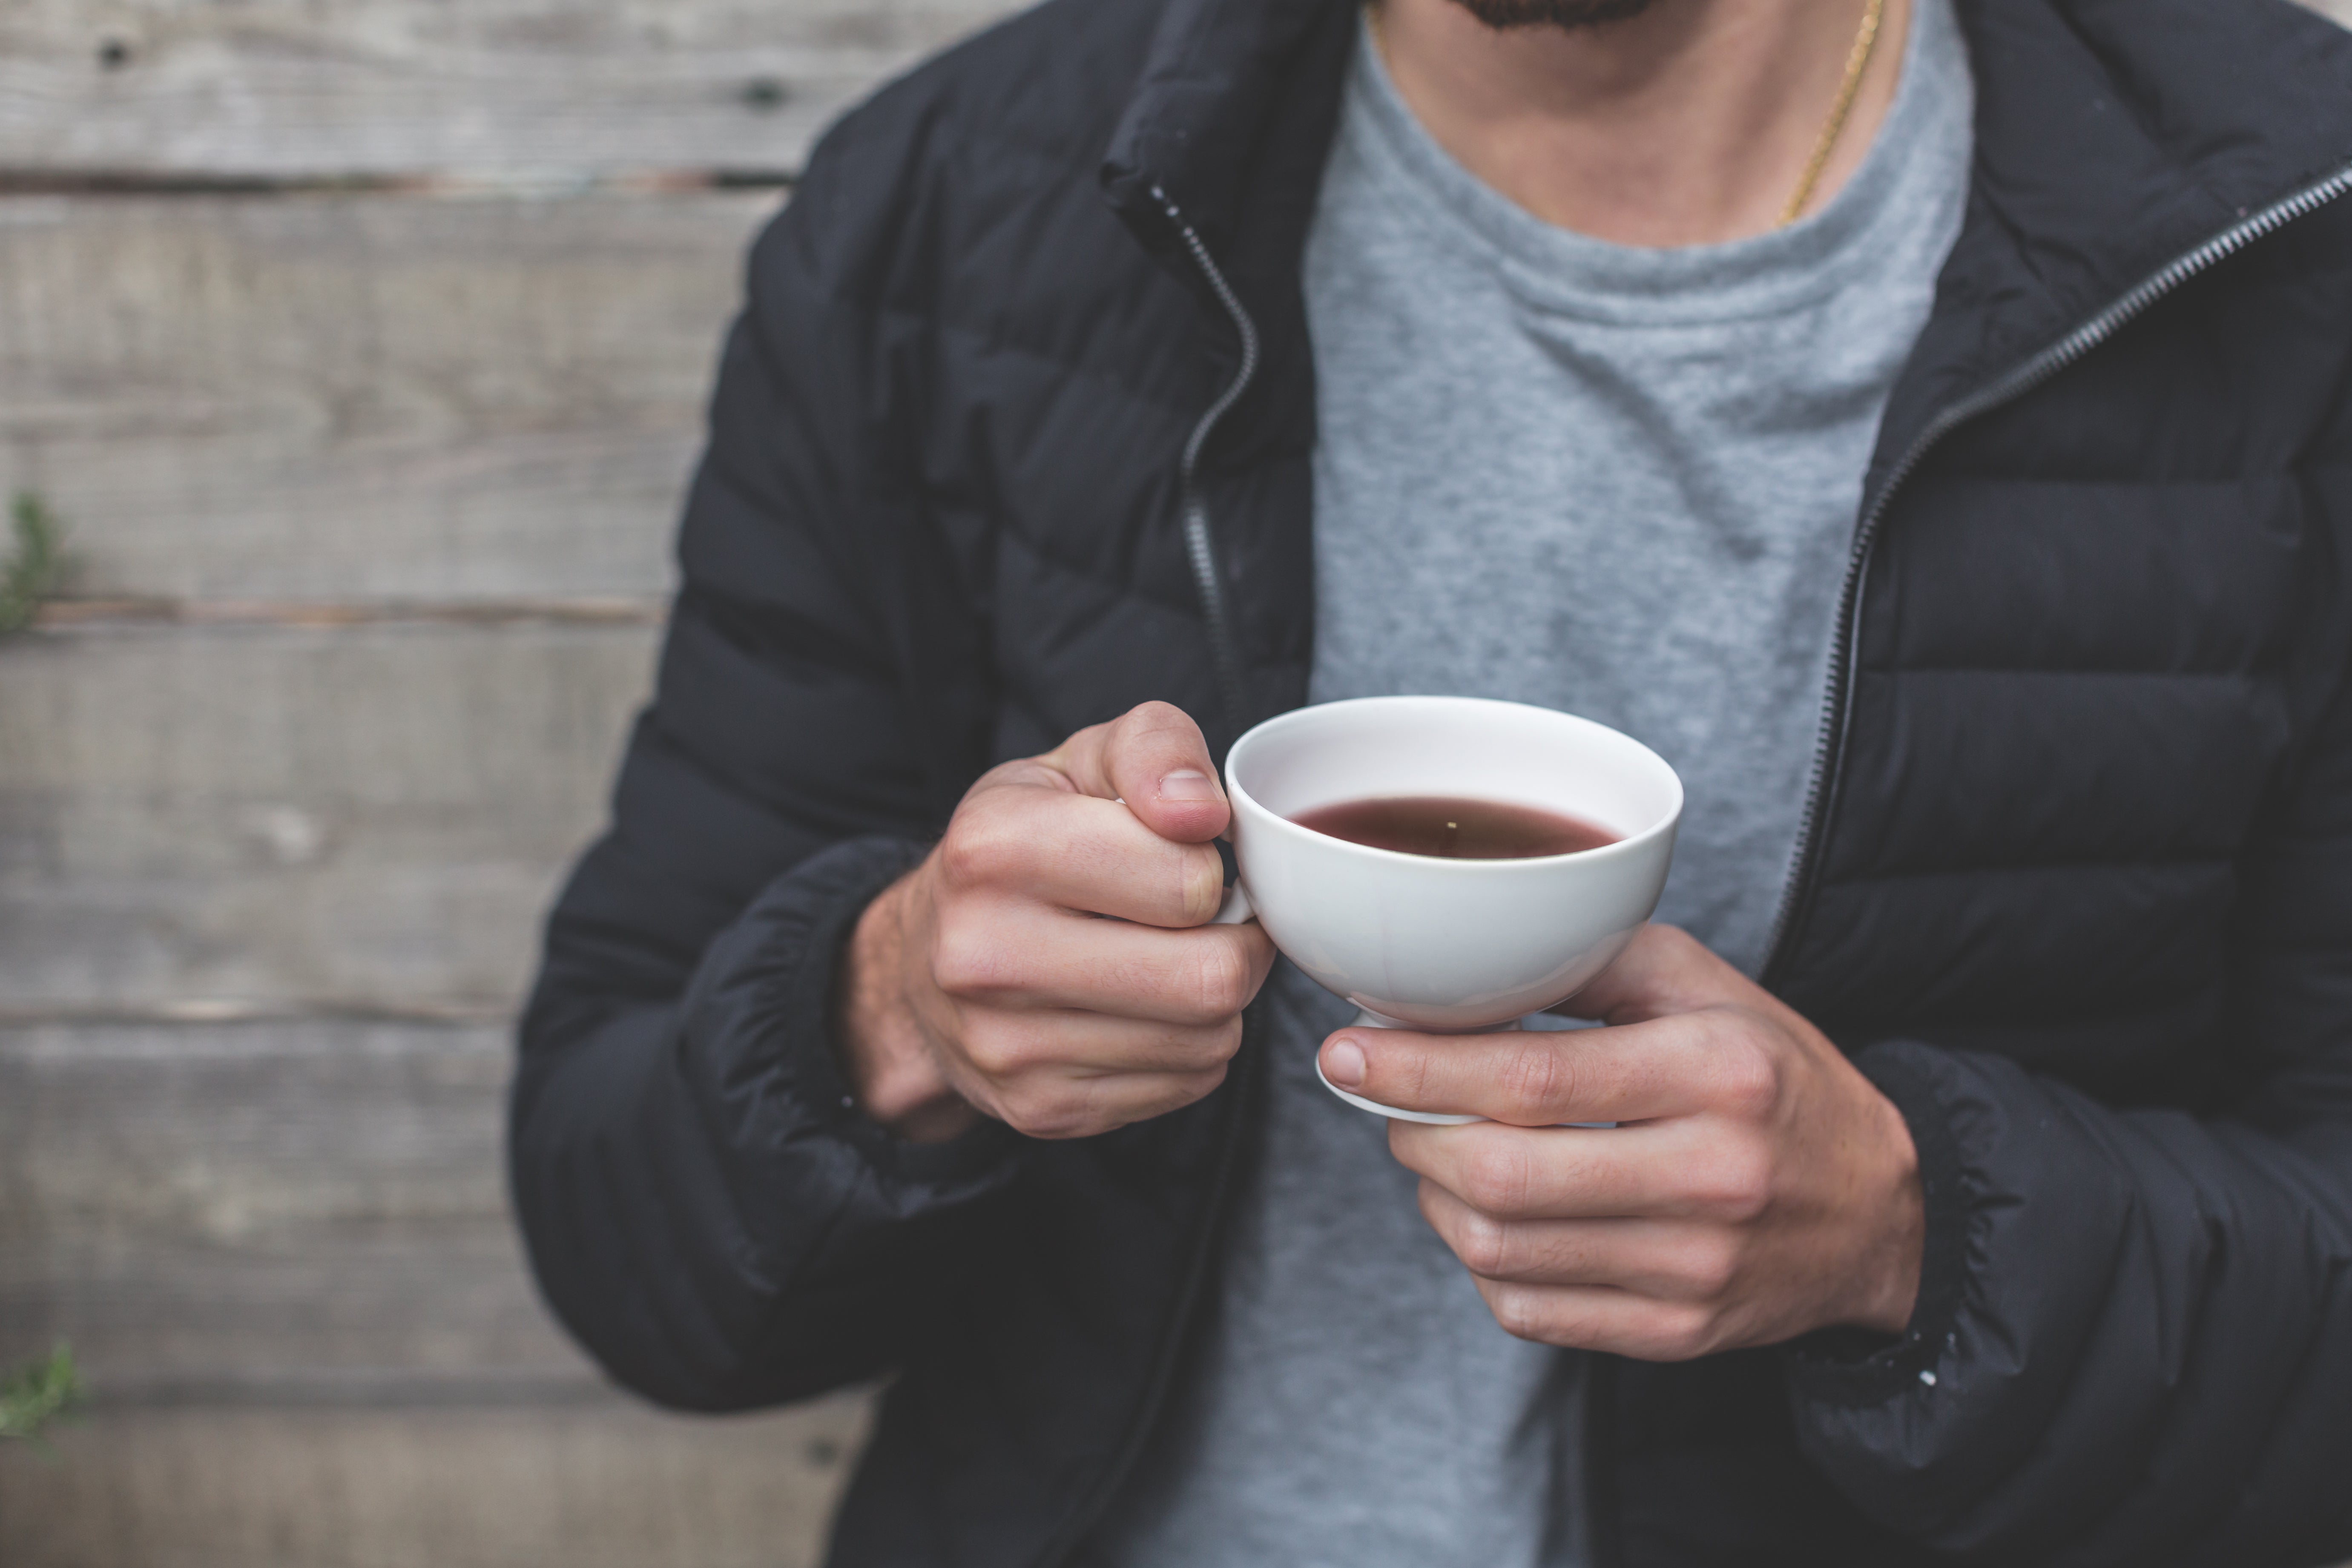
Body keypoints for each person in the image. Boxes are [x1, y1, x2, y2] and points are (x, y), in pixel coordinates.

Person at [507, 0, 2352, 1561]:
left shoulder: (2290, 227)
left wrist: (1913, 1240)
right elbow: (622, 1239)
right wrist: (891, 1013)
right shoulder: (949, 209)